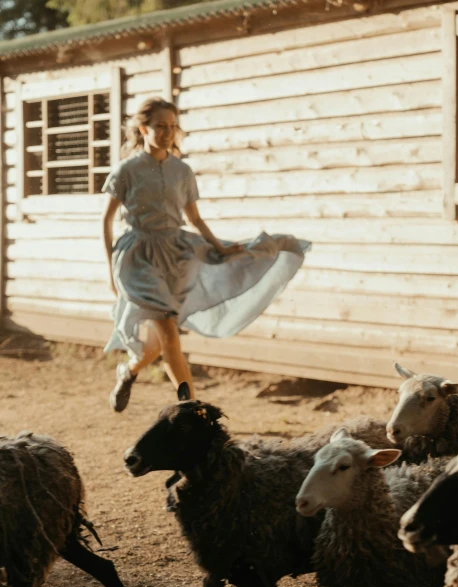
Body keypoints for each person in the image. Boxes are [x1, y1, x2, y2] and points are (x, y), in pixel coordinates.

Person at [102, 97, 309, 412]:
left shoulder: (182, 171)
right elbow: (106, 220)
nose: (167, 132)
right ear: (143, 129)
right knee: (170, 334)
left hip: (176, 255)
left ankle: (128, 370)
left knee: (159, 341)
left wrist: (220, 247)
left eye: (172, 127)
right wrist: (110, 272)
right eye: (160, 126)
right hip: (139, 259)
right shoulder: (126, 170)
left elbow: (195, 218)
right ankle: (192, 408)